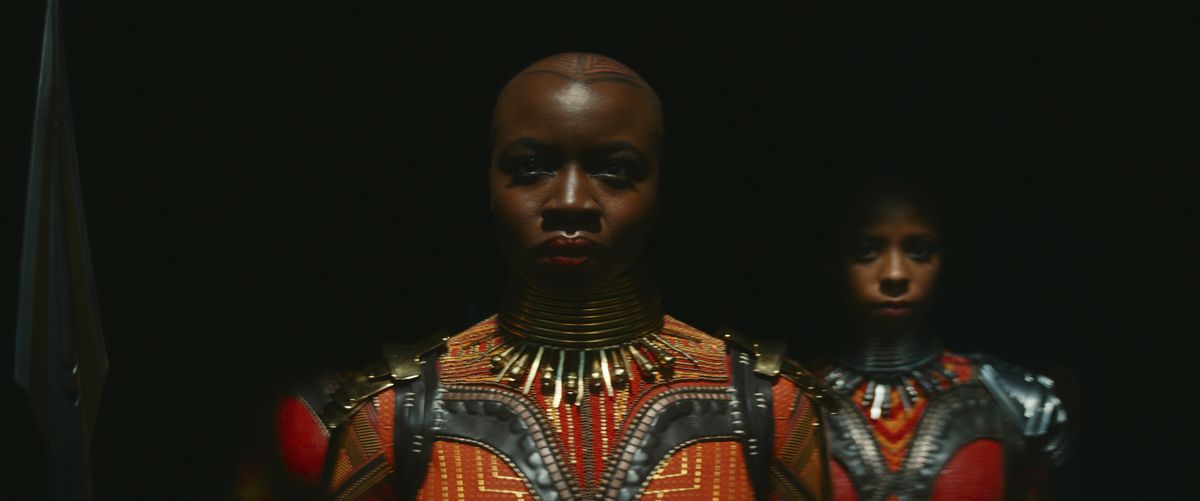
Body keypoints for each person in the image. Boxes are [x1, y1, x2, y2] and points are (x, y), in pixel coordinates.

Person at [273, 52, 831, 500]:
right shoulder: (393, 413)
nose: (570, 201)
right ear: (489, 186)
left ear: (662, 190)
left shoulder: (767, 406)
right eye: (530, 167)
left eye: (615, 169)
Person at [812, 177, 1072, 501]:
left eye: (918, 250)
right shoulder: (788, 401)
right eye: (866, 251)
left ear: (945, 258)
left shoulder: (1017, 402)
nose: (895, 274)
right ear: (832, 262)